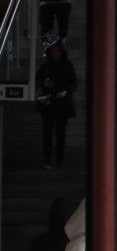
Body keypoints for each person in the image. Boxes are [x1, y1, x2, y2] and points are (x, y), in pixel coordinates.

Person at [35, 38, 76, 169]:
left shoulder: (68, 65)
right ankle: (47, 160)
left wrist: (65, 92)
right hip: (48, 102)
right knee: (47, 133)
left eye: (58, 51)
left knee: (60, 133)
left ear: (62, 52)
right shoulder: (45, 66)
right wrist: (45, 83)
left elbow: (74, 83)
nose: (56, 54)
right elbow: (37, 81)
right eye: (53, 51)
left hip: (62, 103)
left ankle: (59, 160)